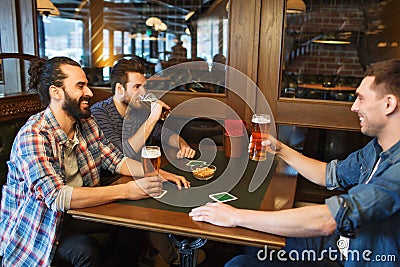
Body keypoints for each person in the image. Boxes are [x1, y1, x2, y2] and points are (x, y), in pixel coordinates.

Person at [189, 58, 400, 266]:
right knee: (253, 240)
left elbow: (327, 221)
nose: (354, 107)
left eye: (361, 99)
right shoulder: (375, 149)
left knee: (238, 264)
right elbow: (328, 174)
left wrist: (235, 216)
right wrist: (280, 149)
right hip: (336, 244)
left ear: (389, 104)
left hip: (356, 258)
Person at [0, 56, 182, 267]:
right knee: (86, 251)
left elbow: (116, 160)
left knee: (132, 225)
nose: (89, 92)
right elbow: (57, 197)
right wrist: (127, 191)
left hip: (80, 212)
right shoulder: (34, 135)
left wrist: (154, 173)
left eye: (86, 85)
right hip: (41, 224)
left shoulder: (85, 122)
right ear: (56, 92)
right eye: (80, 86)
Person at [90, 57, 196, 265]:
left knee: (177, 186)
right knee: (153, 197)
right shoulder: (99, 113)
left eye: (144, 86)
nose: (143, 92)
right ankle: (173, 257)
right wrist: (153, 116)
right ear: (120, 88)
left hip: (137, 173)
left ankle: (167, 250)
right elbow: (122, 153)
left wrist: (182, 143)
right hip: (111, 182)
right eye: (137, 86)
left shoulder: (138, 110)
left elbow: (165, 134)